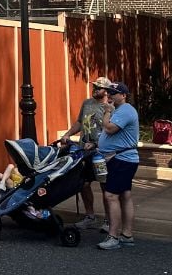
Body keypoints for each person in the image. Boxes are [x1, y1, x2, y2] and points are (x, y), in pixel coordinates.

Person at [59, 76, 112, 230]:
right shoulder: (87, 103)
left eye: (99, 88)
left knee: (105, 186)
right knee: (83, 183)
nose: (95, 90)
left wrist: (96, 143)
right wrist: (68, 134)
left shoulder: (110, 108)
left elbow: (110, 131)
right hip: (84, 152)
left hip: (101, 154)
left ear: (107, 91)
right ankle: (90, 216)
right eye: (94, 87)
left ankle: (109, 220)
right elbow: (80, 123)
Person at [96, 82, 139, 251]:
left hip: (123, 159)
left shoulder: (126, 110)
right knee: (125, 195)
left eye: (114, 93)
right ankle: (127, 235)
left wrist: (107, 112)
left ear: (123, 95)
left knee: (111, 196)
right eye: (109, 92)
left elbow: (109, 128)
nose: (110, 96)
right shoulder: (120, 111)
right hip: (120, 158)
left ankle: (113, 236)